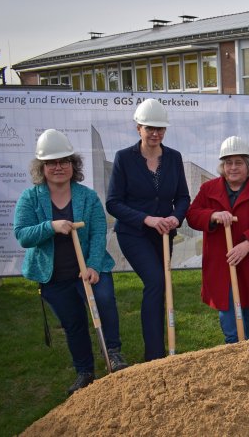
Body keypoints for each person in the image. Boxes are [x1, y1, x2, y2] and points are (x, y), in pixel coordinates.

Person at [13, 129, 128, 396]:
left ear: (73, 165)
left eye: (64, 161)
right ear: (41, 168)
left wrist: (94, 266)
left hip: (88, 269)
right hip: (53, 276)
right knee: (73, 322)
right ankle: (85, 371)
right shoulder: (30, 199)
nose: (58, 167)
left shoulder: (87, 197)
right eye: (51, 163)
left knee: (105, 302)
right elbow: (22, 235)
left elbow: (99, 232)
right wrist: (51, 226)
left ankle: (113, 353)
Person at [106, 98, 191, 361]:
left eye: (160, 128)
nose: (155, 133)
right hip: (134, 234)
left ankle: (159, 352)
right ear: (138, 128)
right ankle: (154, 356)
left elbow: (184, 198)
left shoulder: (174, 158)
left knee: (160, 287)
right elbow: (113, 203)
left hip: (164, 235)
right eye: (149, 128)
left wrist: (175, 218)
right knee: (155, 282)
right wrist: (147, 219)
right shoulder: (124, 158)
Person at [186, 136, 249, 343]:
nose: (233, 168)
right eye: (228, 163)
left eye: (238, 163)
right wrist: (212, 215)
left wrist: (247, 245)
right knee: (227, 306)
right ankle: (234, 345)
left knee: (247, 307)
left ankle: (243, 343)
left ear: (248, 165)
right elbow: (192, 215)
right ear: (222, 166)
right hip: (222, 259)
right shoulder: (208, 189)